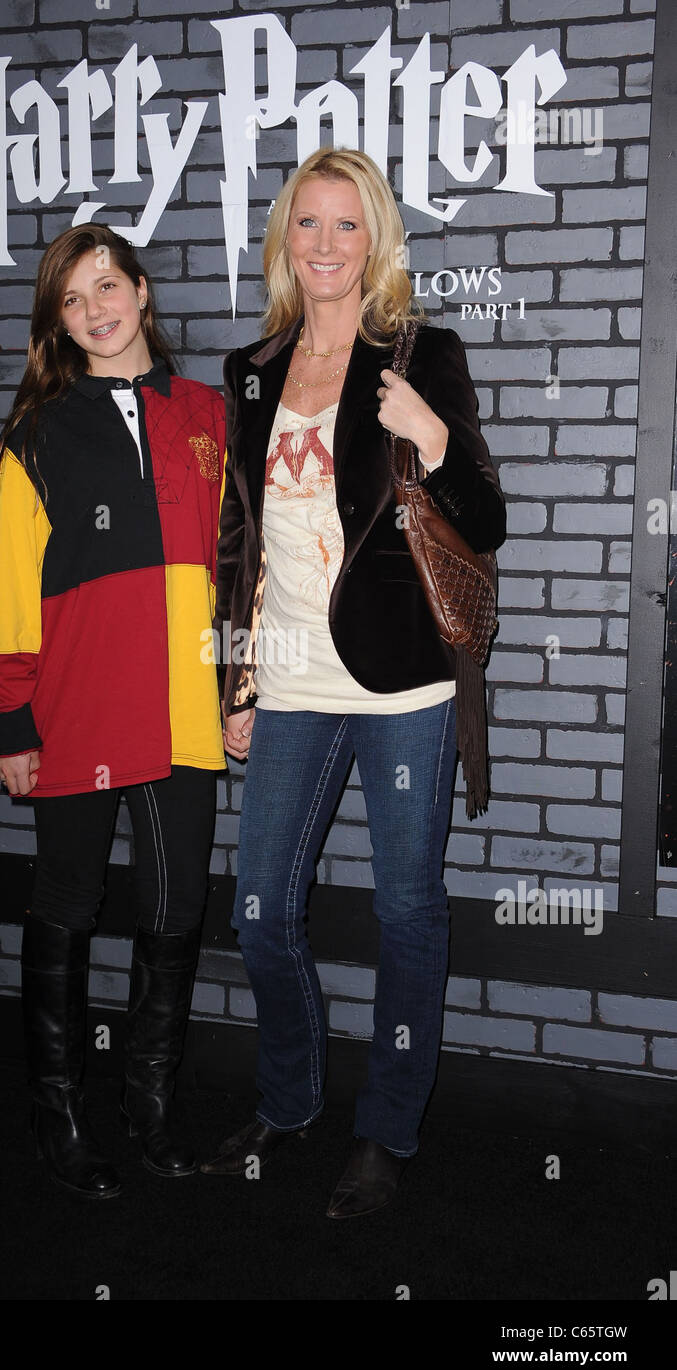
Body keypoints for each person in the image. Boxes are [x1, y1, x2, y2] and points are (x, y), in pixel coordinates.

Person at [200, 148, 506, 1218]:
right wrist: (231, 674)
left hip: (400, 687)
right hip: (285, 676)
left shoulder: (422, 353)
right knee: (256, 909)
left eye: (345, 225)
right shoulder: (249, 371)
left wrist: (428, 433)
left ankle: (386, 1128)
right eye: (305, 225)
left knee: (407, 910)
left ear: (372, 240)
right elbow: (235, 539)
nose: (324, 245)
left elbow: (485, 513)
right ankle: (288, 1101)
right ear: (284, 239)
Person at [0, 226, 226, 1197]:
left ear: (143, 291)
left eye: (106, 285)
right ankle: (58, 1109)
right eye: (72, 299)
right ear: (59, 320)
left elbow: (243, 570)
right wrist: (7, 719)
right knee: (67, 908)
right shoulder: (35, 431)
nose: (93, 310)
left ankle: (149, 1108)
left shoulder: (208, 413)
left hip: (185, 711)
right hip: (76, 708)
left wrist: (238, 688)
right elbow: (6, 590)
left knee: (173, 911)